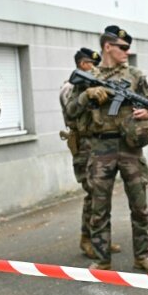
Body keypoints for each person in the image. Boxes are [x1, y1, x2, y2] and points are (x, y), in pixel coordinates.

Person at [67, 25, 148, 274]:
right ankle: (102, 260)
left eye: (128, 47)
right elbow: (70, 111)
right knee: (99, 208)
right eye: (122, 47)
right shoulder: (88, 75)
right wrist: (87, 95)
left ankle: (143, 256)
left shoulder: (135, 75)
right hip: (100, 148)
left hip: (130, 148)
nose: (126, 51)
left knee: (139, 207)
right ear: (107, 46)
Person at [59, 48, 120, 258]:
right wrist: (87, 95)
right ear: (83, 65)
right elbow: (71, 110)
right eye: (91, 64)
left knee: (102, 193)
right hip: (82, 145)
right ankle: (87, 239)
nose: (95, 68)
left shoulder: (93, 84)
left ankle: (101, 238)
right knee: (92, 193)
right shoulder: (70, 87)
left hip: (97, 143)